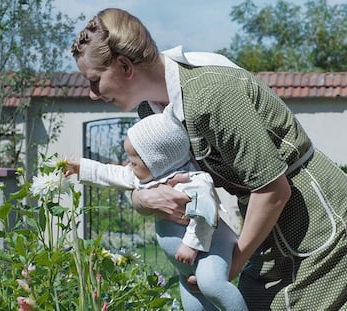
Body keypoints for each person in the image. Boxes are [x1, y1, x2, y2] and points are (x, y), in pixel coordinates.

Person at [70, 7, 347, 311]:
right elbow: (146, 178)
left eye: (95, 80)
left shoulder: (210, 94)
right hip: (267, 227)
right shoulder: (150, 112)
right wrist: (142, 199)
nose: (93, 93)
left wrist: (225, 271)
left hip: (317, 218)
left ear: (124, 66)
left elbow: (273, 190)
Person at [66, 104, 248, 311]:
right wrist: (81, 167)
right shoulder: (148, 177)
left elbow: (205, 212)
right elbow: (113, 173)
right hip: (186, 265)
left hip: (210, 248)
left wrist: (191, 244)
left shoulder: (193, 181)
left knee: (212, 284)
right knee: (194, 307)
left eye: (134, 162)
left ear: (157, 161)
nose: (129, 165)